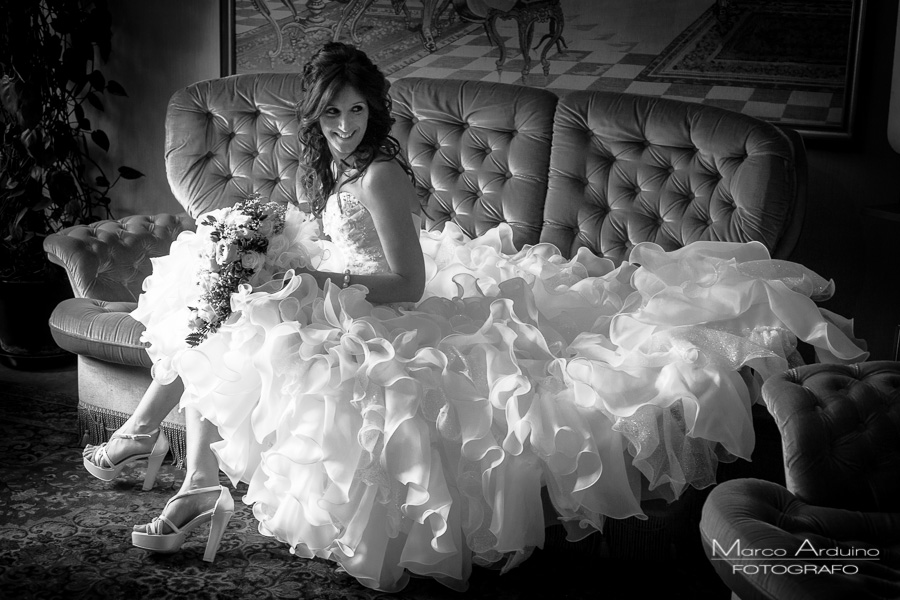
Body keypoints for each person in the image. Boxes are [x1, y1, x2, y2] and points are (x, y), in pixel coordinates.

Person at [82, 41, 868, 592]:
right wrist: (278, 253)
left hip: (389, 305)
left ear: (373, 110)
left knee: (253, 323)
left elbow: (408, 281)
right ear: (315, 120)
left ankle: (173, 462)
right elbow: (325, 236)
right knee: (224, 293)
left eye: (357, 113)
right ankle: (182, 469)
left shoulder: (381, 175)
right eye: (332, 117)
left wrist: (318, 282)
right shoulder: (327, 163)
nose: (346, 127)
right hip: (343, 289)